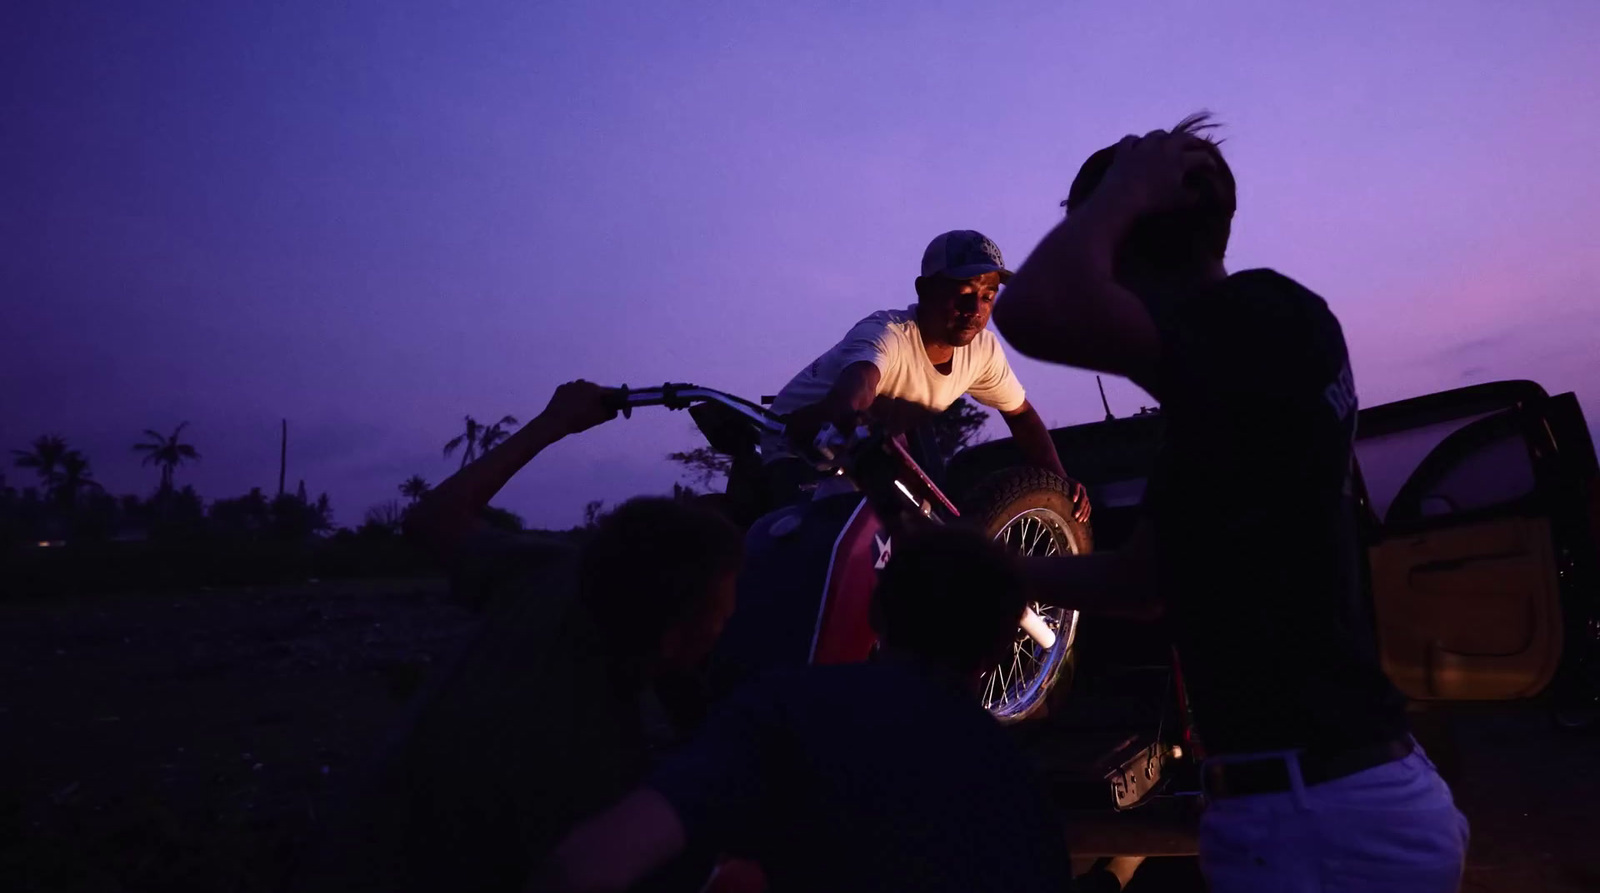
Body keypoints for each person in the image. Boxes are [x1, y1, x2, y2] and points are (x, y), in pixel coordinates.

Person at [991, 113, 1469, 891]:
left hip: (1319, 822)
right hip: (1332, 806)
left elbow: (1032, 308)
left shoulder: (1257, 320)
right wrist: (998, 566)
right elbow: (1141, 586)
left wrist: (1122, 190)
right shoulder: (1234, 388)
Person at [287, 381, 743, 893]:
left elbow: (432, 518)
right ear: (673, 642)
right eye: (720, 618)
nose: (725, 628)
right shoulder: (601, 780)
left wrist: (554, 423)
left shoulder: (551, 573)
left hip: (349, 849)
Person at [532, 526, 1143, 893]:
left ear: (876, 616)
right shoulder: (1018, 786)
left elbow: (589, 864)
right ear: (994, 652)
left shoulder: (785, 710)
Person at [759, 229, 1089, 520]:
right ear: (924, 290)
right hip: (799, 444)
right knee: (818, 541)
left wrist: (1059, 482)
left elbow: (1021, 415)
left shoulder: (983, 351)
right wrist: (854, 414)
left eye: (987, 297)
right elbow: (857, 388)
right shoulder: (886, 333)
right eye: (963, 294)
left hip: (873, 454)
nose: (975, 310)